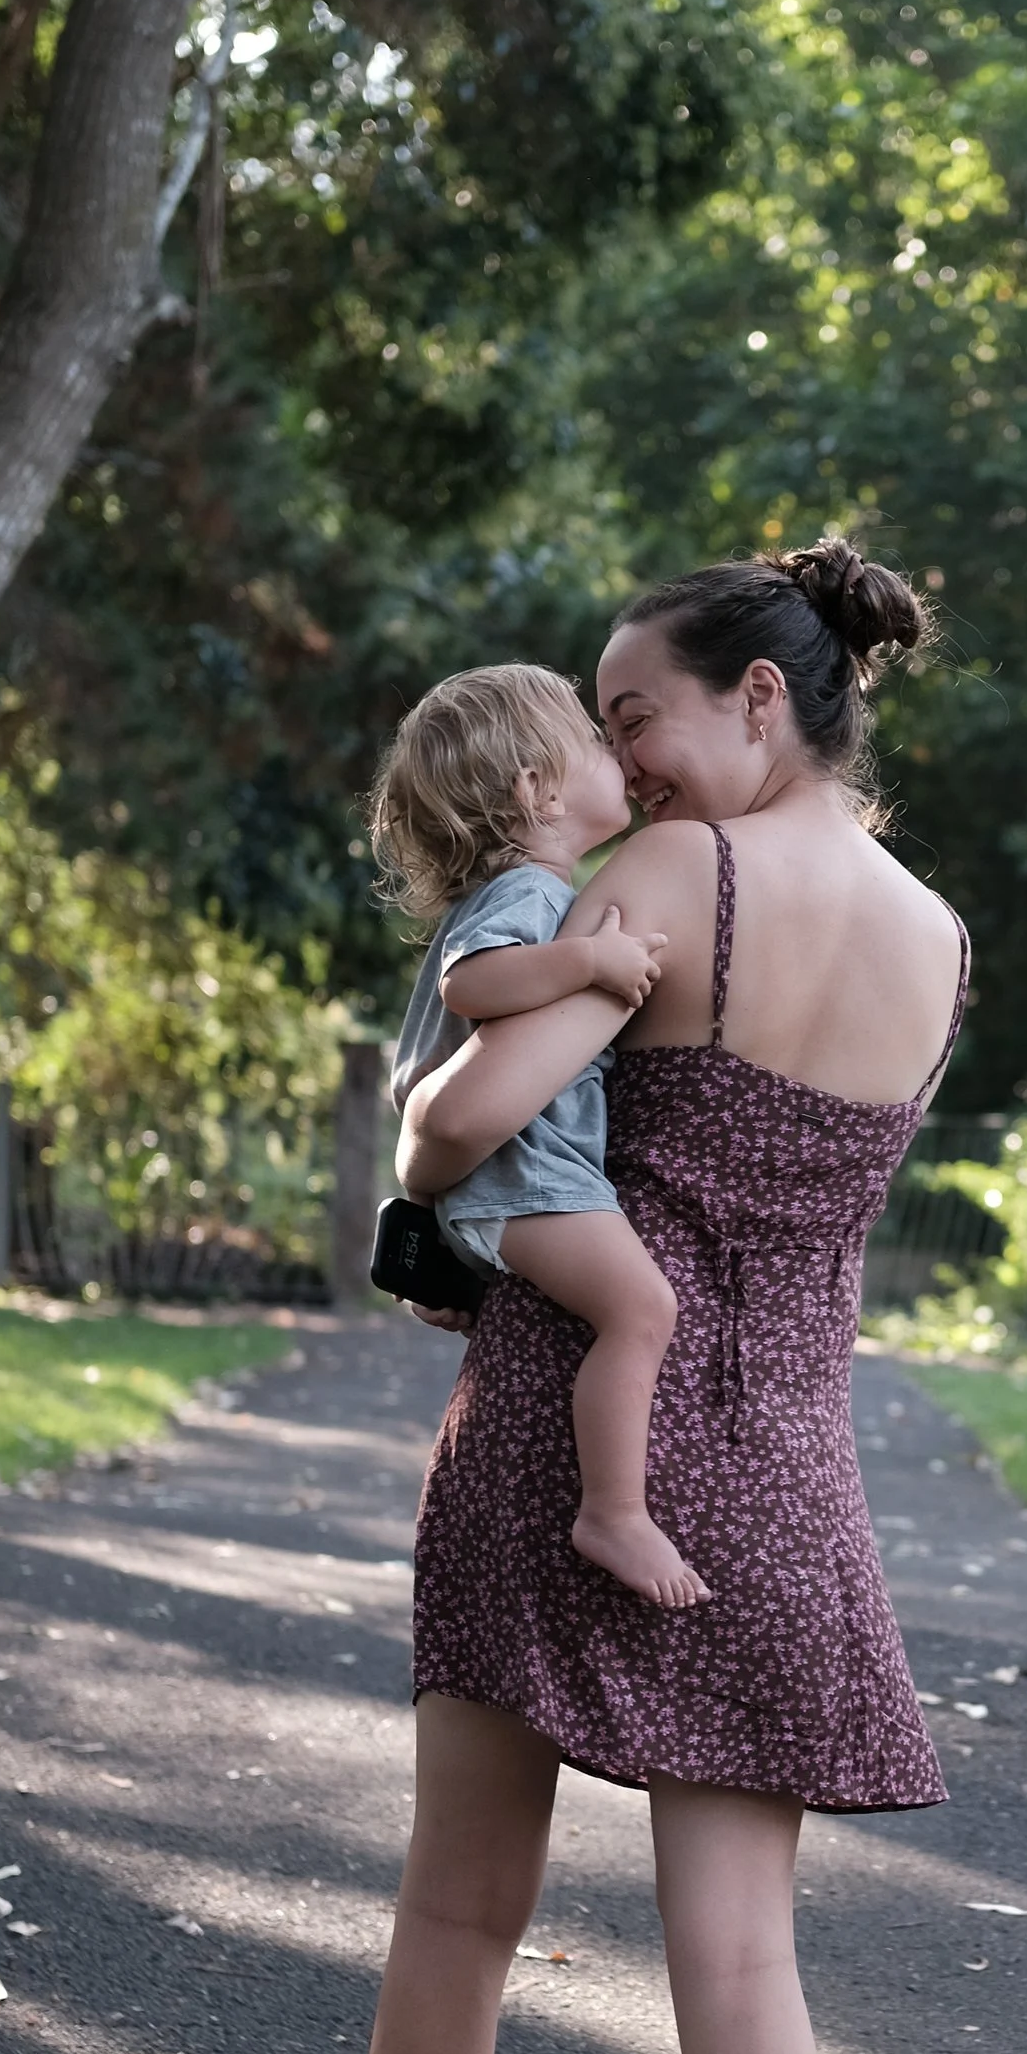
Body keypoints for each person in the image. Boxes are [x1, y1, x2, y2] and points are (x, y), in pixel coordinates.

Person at [294, 539, 969, 2054]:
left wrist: (441, 1144)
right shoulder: (934, 935)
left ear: (759, 701)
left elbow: (453, 1123)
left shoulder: (671, 883)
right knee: (744, 1969)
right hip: (774, 1469)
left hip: (557, 1440)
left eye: (637, 715)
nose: (621, 758)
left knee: (457, 1920)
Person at [372, 663, 705, 1610]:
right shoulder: (526, 894)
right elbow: (472, 987)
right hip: (526, 1179)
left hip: (516, 1179)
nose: (619, 756)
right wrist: (592, 961)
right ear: (537, 790)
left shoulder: (532, 889)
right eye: (598, 741)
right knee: (643, 1312)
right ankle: (613, 1513)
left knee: (627, 1310)